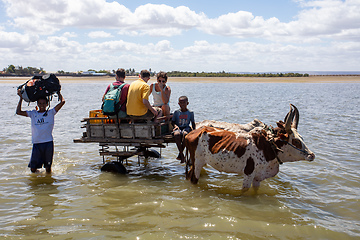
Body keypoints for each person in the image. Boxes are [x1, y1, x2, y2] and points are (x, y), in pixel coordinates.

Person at [16, 89, 65, 173]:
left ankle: (48, 183)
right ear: (37, 104)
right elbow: (18, 112)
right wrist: (21, 98)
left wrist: (59, 93)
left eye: (43, 103)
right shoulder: (33, 113)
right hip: (37, 143)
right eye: (40, 103)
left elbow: (62, 102)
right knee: (33, 169)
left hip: (48, 143)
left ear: (47, 104)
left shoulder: (51, 112)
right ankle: (39, 180)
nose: (42, 105)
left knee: (48, 168)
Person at [172, 96, 195, 163]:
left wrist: (194, 130)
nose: (182, 104)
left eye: (184, 103)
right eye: (181, 103)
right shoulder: (176, 112)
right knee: (177, 134)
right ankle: (182, 154)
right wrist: (175, 126)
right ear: (178, 104)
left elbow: (193, 123)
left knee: (185, 134)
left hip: (186, 128)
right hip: (178, 128)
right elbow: (172, 122)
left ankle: (180, 154)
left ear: (187, 103)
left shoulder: (190, 113)